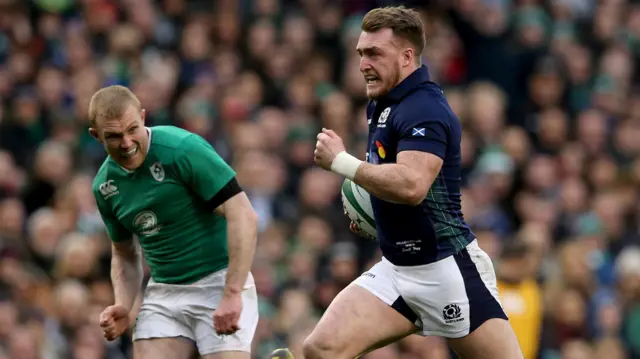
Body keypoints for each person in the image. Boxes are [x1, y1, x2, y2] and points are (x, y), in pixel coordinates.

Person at [308, 6, 523, 359]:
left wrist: (340, 162)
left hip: (447, 270)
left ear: (408, 56)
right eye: (361, 53)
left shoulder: (425, 108)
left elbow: (411, 185)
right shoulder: (380, 103)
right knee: (321, 349)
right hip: (397, 269)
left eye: (374, 53)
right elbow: (387, 175)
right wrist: (373, 210)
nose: (363, 63)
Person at [89, 85, 259, 359]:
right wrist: (123, 304)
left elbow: (243, 215)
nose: (127, 143)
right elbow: (123, 252)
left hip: (219, 280)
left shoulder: (181, 149)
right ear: (96, 136)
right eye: (114, 136)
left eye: (132, 129)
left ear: (143, 117)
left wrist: (232, 291)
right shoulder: (104, 186)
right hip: (164, 292)